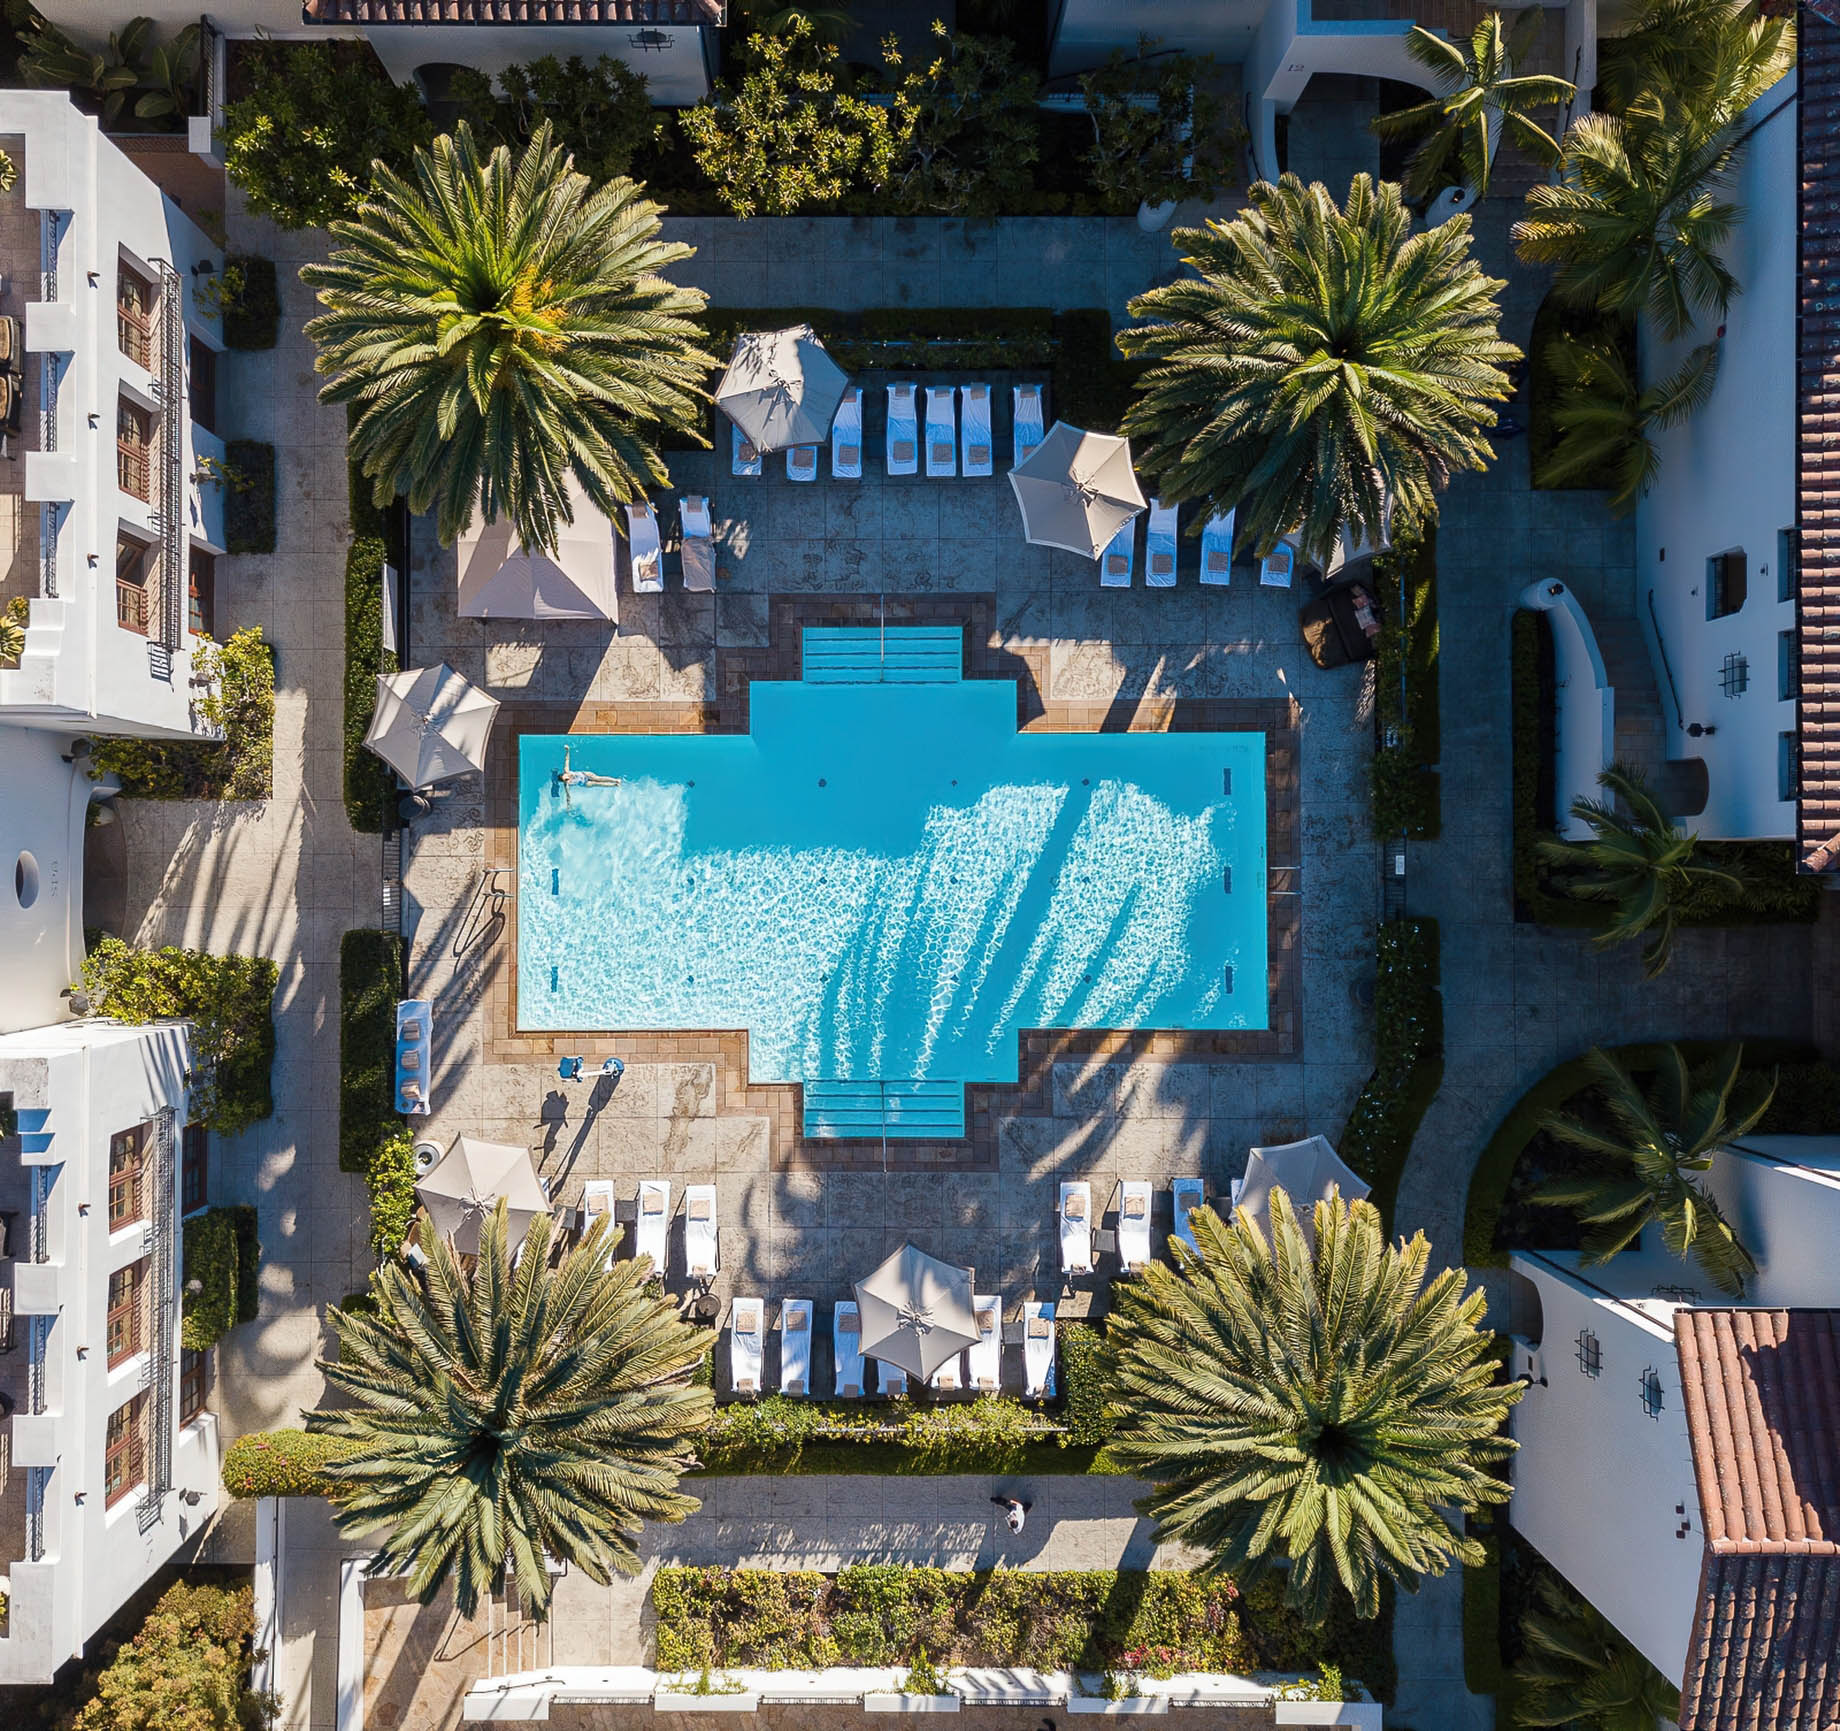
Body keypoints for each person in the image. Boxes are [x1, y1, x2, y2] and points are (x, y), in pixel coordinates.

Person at [554, 744, 622, 806]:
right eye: (565, 780)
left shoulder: (566, 771)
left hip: (585, 774)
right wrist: (568, 806)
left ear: (564, 774)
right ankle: (614, 785)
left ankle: (616, 780)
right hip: (584, 783)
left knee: (599, 778)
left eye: (566, 777)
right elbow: (568, 796)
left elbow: (567, 760)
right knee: (598, 784)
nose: (567, 778)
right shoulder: (566, 785)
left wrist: (568, 750)